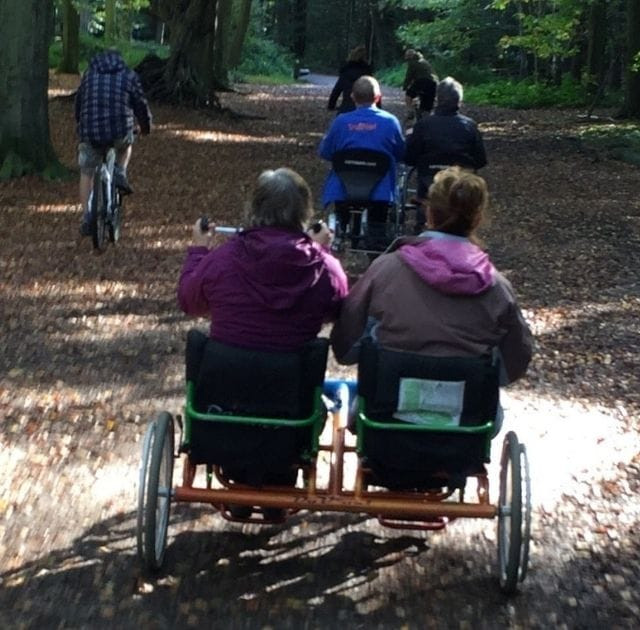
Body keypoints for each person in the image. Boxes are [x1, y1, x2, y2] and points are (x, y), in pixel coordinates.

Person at [178, 168, 349, 518]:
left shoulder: (223, 259)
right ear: (304, 214)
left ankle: (237, 474)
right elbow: (338, 307)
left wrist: (197, 251)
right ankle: (280, 476)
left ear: (253, 208)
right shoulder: (321, 267)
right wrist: (322, 251)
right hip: (291, 403)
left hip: (224, 399)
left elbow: (189, 301)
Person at [330, 166, 532, 436]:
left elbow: (345, 347)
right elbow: (514, 363)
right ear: (478, 218)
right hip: (465, 426)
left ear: (429, 212)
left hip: (385, 418)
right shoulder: (497, 288)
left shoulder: (386, 269)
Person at [319, 75, 405, 243]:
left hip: (343, 188)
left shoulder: (341, 122)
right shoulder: (390, 122)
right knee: (379, 215)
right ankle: (376, 236)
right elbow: (401, 154)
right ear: (378, 97)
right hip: (380, 190)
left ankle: (341, 228)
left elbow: (326, 152)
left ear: (352, 97)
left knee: (342, 182)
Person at [75, 49, 151, 235]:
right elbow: (140, 104)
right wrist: (145, 126)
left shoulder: (88, 75)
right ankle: (119, 171)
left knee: (86, 171)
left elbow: (78, 103)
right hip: (119, 132)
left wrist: (80, 122)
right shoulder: (128, 75)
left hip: (90, 132)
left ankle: (87, 216)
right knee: (126, 145)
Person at [405, 76, 487, 232]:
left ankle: (422, 223)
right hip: (460, 185)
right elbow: (480, 160)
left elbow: (410, 157)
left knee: (425, 181)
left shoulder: (424, 125)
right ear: (459, 101)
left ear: (437, 99)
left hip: (429, 180)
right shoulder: (469, 126)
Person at [327, 45, 373, 114]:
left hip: (346, 108)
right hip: (366, 110)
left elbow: (336, 90)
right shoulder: (367, 72)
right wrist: (378, 108)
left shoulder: (346, 71)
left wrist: (331, 105)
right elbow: (374, 91)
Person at [402, 49, 438, 119]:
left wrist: (405, 87)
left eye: (407, 57)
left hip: (422, 81)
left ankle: (410, 112)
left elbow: (409, 76)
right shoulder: (424, 61)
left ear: (410, 56)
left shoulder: (413, 62)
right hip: (434, 82)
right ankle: (427, 118)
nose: (407, 60)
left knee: (409, 95)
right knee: (427, 104)